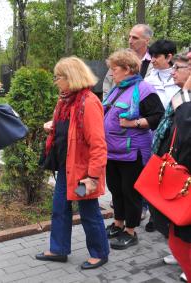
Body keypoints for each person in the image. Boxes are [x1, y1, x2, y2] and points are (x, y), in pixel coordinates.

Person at [36, 57, 109, 269]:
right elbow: (69, 130)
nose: (55, 81)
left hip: (83, 171)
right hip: (64, 166)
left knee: (89, 213)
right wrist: (54, 127)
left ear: (71, 78)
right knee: (59, 209)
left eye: (58, 77)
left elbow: (98, 144)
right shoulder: (65, 101)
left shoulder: (89, 102)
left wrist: (93, 177)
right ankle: (58, 250)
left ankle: (99, 253)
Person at [103, 49, 164, 250]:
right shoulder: (117, 89)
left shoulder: (144, 89)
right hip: (112, 152)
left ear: (128, 69)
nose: (112, 74)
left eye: (115, 69)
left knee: (130, 193)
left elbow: (158, 117)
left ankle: (131, 231)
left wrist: (135, 123)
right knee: (116, 190)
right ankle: (118, 224)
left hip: (132, 153)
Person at [150, 53, 191, 282]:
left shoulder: (185, 99)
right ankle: (183, 256)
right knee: (174, 224)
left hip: (185, 172)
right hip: (176, 166)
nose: (173, 71)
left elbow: (186, 131)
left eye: (180, 66)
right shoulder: (182, 96)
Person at [142, 39, 180, 233]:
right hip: (152, 135)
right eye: (151, 56)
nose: (153, 60)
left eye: (156, 56)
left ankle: (168, 215)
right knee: (152, 174)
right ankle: (152, 215)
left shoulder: (181, 78)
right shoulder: (148, 79)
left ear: (169, 57)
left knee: (168, 176)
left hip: (174, 135)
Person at [103, 24, 154, 98]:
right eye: (129, 37)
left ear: (147, 40)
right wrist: (107, 103)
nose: (130, 41)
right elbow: (107, 83)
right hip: (117, 105)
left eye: (135, 38)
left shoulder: (155, 60)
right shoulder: (119, 58)